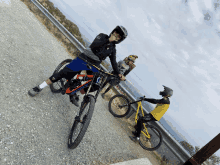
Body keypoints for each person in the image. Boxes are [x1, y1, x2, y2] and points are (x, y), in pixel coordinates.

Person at [28, 26, 128, 107]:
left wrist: (119, 74)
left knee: (96, 84)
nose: (116, 35)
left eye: (118, 36)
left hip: (94, 65)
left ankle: (74, 91)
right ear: (113, 31)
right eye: (116, 32)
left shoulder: (113, 49)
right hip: (84, 59)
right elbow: (94, 46)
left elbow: (114, 62)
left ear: (119, 40)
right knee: (62, 73)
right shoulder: (102, 36)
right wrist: (109, 40)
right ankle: (39, 87)